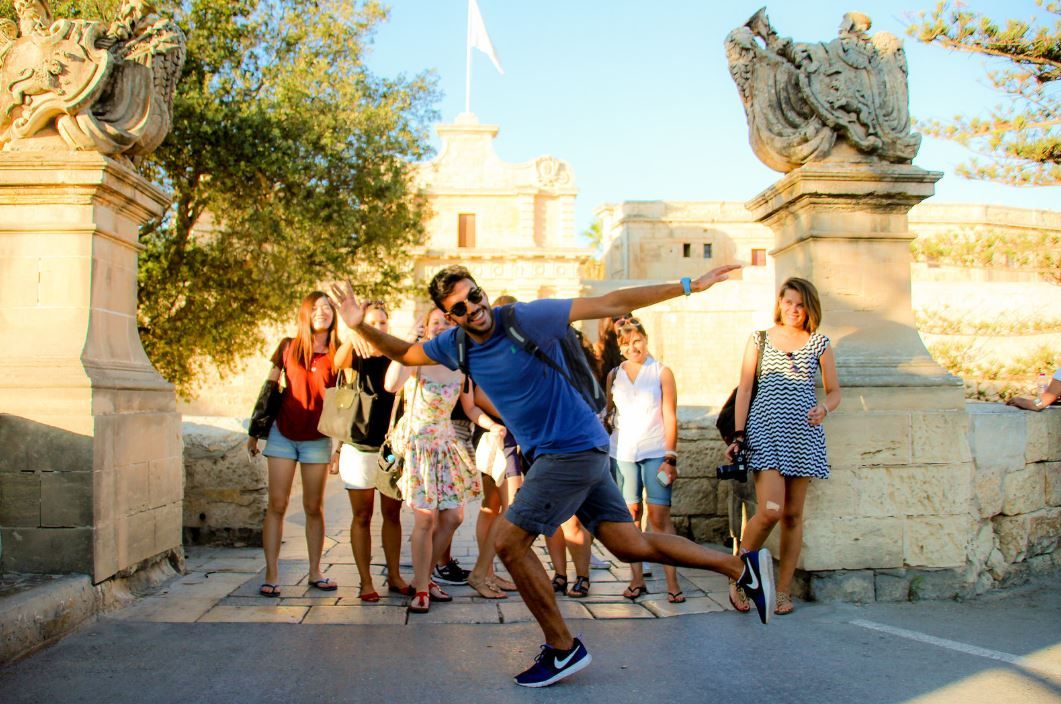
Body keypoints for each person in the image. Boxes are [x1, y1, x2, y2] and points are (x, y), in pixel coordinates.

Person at [329, 264, 775, 688]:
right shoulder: (457, 345)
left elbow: (610, 300)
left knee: (508, 542)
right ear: (451, 317)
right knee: (628, 545)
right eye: (460, 308)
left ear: (481, 291)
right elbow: (406, 352)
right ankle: (740, 567)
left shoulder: (526, 317)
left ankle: (562, 647)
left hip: (571, 448)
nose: (472, 309)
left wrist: (688, 285)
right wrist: (357, 326)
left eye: (474, 297)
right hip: (566, 452)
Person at [724, 277, 840, 616]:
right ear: (780, 303)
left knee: (792, 515)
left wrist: (824, 408)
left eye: (800, 305)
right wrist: (738, 435)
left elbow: (834, 391)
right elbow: (745, 390)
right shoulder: (759, 339)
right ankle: (737, 576)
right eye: (788, 302)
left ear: (809, 308)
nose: (794, 310)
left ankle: (783, 591)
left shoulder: (819, 343)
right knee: (771, 510)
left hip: (803, 435)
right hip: (765, 432)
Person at [384, 308, 503, 613]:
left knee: (453, 517)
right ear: (425, 327)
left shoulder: (459, 364)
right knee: (425, 518)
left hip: (446, 442)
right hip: (419, 444)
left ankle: (422, 576)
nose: (441, 327)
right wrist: (409, 341)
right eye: (435, 322)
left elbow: (470, 407)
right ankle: (422, 589)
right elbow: (391, 385)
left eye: (447, 322)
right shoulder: (416, 358)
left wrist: (493, 425)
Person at [246, 292, 352, 597]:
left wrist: (340, 447)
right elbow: (268, 388)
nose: (322, 312)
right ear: (305, 313)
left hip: (317, 439)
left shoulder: (338, 352)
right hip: (283, 434)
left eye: (327, 308)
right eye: (315, 308)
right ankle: (271, 574)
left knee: (313, 507)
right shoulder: (287, 347)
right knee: (277, 505)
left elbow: (345, 401)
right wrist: (255, 432)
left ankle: (316, 571)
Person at [331, 302, 413, 601]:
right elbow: (337, 363)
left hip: (390, 448)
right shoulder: (357, 354)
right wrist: (354, 332)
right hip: (358, 447)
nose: (379, 328)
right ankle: (366, 581)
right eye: (373, 323)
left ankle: (394, 575)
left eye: (382, 323)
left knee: (392, 514)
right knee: (362, 515)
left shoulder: (396, 356)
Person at [605, 318, 684, 603]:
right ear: (620, 347)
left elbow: (670, 415)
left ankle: (673, 582)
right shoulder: (615, 374)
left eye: (637, 340)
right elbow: (610, 414)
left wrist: (670, 457)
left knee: (660, 517)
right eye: (626, 343)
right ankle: (636, 579)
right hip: (623, 452)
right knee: (631, 516)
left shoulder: (662, 372)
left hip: (655, 451)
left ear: (646, 339)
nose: (632, 347)